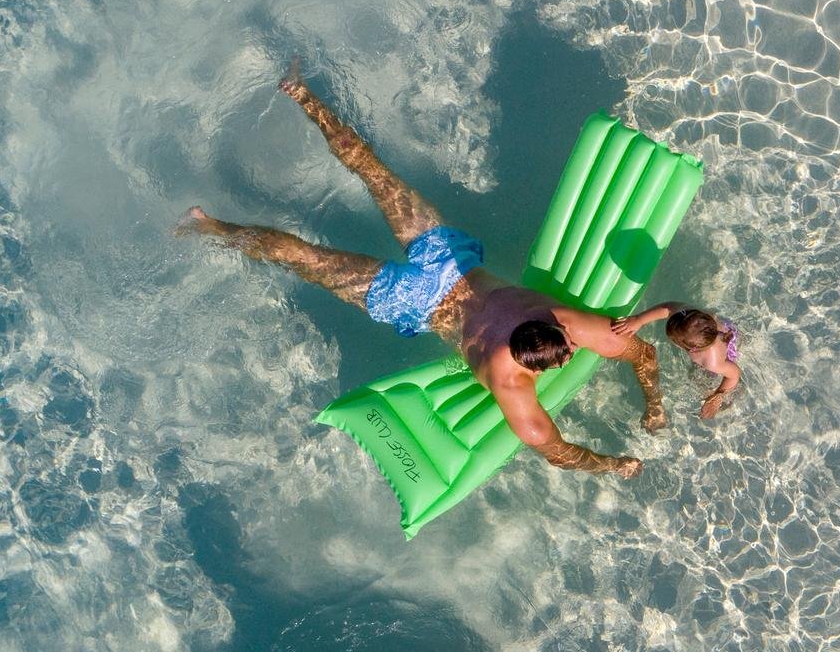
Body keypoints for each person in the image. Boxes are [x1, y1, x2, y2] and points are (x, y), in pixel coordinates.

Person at [178, 68, 663, 476]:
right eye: (565, 356)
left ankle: (296, 100)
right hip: (421, 294)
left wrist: (647, 403)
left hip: (444, 265)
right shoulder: (510, 380)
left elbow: (639, 353)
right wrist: (617, 457)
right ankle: (212, 221)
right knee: (311, 251)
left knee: (363, 184)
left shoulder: (557, 318)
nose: (571, 354)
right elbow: (557, 446)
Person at [612, 302, 743, 419]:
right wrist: (639, 320)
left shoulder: (711, 361)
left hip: (727, 348)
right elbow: (668, 309)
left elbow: (734, 374)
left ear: (692, 349)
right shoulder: (688, 315)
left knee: (702, 385)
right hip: (720, 330)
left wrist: (717, 397)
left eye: (675, 340)